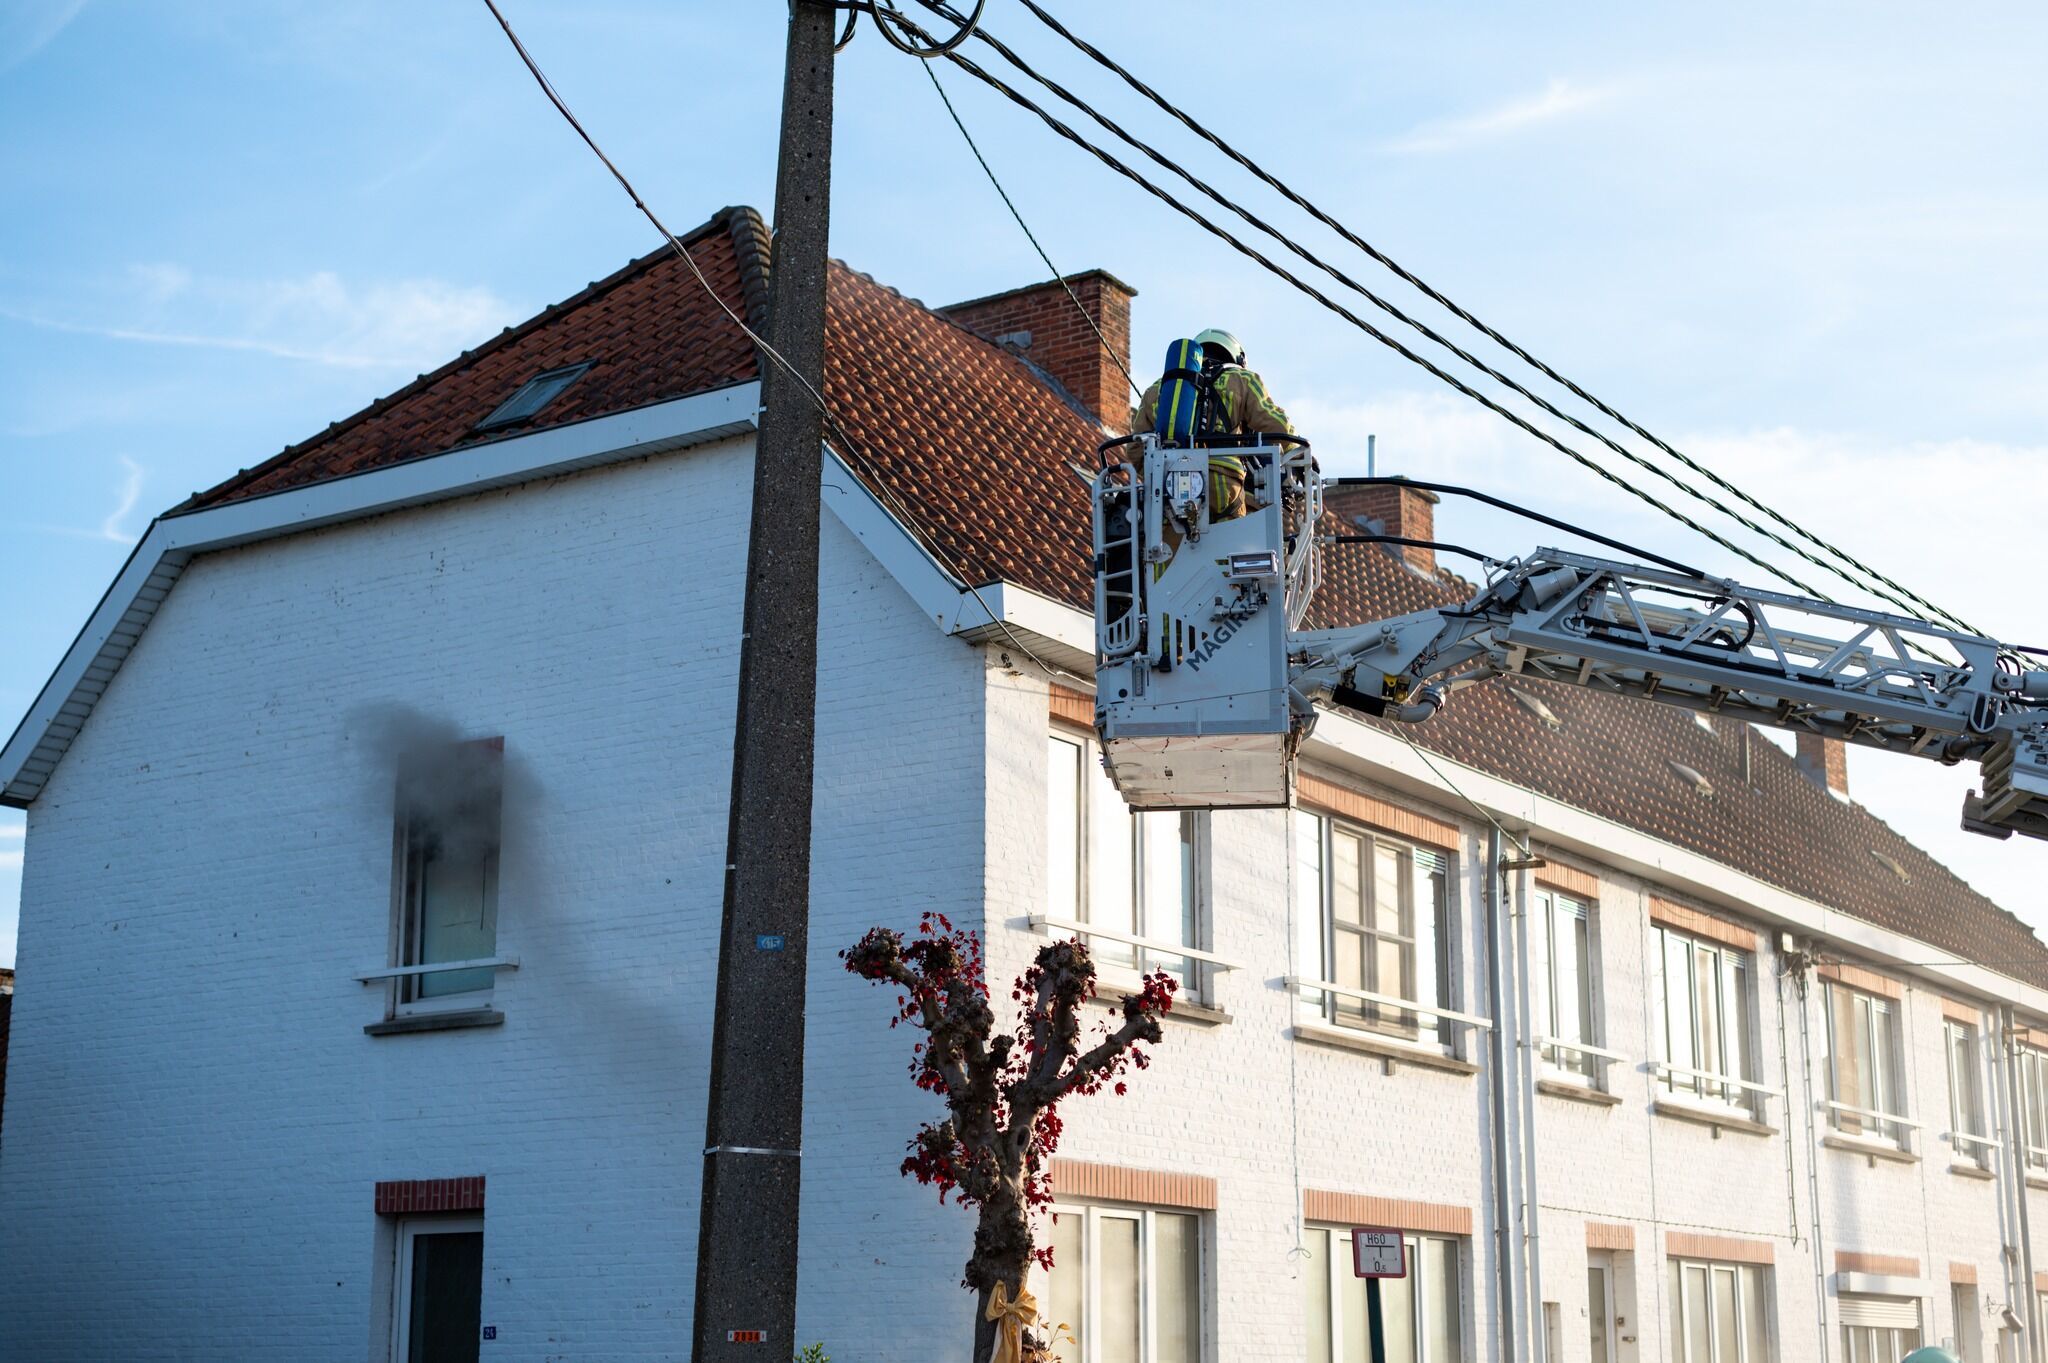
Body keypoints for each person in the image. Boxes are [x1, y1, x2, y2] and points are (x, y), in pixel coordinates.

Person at [1132, 328, 1293, 521]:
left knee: (1172, 538)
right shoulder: (1243, 379)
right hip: (1224, 483)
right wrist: (1297, 452)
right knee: (1234, 537)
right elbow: (1277, 425)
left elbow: (1135, 449)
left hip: (1169, 489)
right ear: (1236, 358)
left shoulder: (1159, 388)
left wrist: (1158, 480)